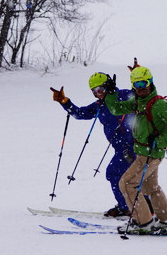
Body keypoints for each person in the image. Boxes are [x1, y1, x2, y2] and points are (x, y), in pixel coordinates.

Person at [102, 63, 167, 235]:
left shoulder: (159, 104)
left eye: (144, 83)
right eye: (137, 85)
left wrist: (160, 141)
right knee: (150, 188)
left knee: (127, 184)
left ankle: (143, 222)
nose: (141, 88)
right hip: (144, 153)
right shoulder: (138, 102)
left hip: (149, 154)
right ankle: (166, 221)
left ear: (150, 82)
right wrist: (110, 94)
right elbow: (116, 109)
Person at [51, 73, 136, 218]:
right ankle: (136, 205)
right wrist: (64, 102)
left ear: (108, 86)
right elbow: (80, 113)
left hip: (134, 146)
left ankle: (129, 207)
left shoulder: (125, 95)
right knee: (127, 176)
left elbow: (143, 97)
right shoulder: (100, 105)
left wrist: (137, 75)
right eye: (94, 92)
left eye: (100, 90)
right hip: (121, 149)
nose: (98, 94)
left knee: (115, 173)